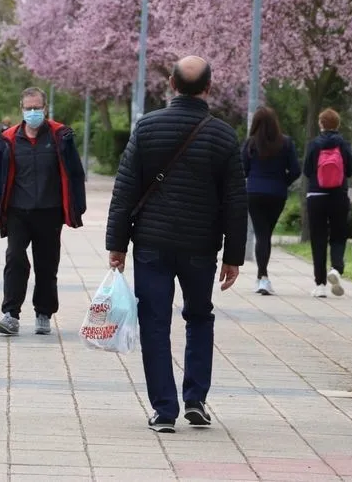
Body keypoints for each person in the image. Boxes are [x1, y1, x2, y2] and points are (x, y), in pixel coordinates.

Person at [106, 56, 247, 434]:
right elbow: (236, 200)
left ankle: (164, 409)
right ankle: (196, 399)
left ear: (171, 83)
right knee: (199, 317)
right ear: (209, 87)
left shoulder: (147, 127)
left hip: (151, 244)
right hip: (201, 246)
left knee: (154, 323)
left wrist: (117, 244)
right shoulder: (223, 135)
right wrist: (233, 255)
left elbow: (125, 189)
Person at [0, 87, 86, 336]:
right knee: (14, 259)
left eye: (37, 108)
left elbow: (75, 173)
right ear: (21, 109)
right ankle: (10, 315)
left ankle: (43, 313)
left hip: (49, 211)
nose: (33, 112)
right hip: (18, 212)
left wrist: (77, 206)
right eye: (28, 108)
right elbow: (1, 177)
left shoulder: (60, 136)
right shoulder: (9, 139)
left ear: (45, 108)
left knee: (47, 265)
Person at [242, 106, 301, 295]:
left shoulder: (250, 144)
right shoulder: (286, 143)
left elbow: (242, 169)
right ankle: (262, 277)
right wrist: (283, 182)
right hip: (277, 193)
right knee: (266, 234)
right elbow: (296, 170)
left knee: (262, 234)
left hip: (254, 193)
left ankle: (262, 277)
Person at [302, 108, 352, 298]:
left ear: (321, 124)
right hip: (339, 196)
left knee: (318, 239)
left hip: (316, 196)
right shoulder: (344, 144)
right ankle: (336, 268)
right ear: (337, 124)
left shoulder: (314, 144)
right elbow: (350, 171)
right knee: (338, 235)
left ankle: (320, 285)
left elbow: (307, 170)